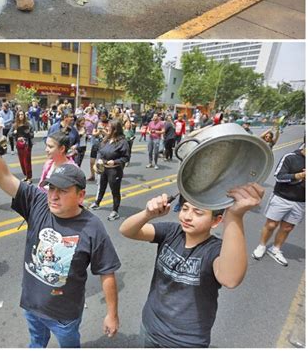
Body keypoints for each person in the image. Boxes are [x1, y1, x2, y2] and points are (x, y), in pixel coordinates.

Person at [0, 103, 121, 347]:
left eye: (62, 191)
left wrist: (112, 314)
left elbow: (107, 273)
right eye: (51, 188)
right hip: (31, 306)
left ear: (81, 196)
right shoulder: (38, 201)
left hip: (64, 317)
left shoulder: (92, 227)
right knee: (36, 344)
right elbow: (1, 175)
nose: (53, 195)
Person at [120, 183, 265, 348]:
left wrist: (234, 216)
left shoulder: (215, 250)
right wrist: (147, 214)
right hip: (150, 327)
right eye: (185, 208)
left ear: (216, 221)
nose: (187, 216)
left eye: (198, 212)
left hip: (185, 341)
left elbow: (231, 279)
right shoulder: (171, 232)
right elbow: (127, 230)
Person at [252, 139, 305, 267]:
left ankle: (275, 249)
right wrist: (298, 176)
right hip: (282, 197)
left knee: (287, 228)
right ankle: (262, 246)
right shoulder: (290, 158)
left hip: (301, 201)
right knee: (271, 224)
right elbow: (278, 176)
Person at [90, 119, 130, 221]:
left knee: (115, 190)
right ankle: (97, 202)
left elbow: (126, 157)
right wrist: (97, 161)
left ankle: (115, 211)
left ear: (115, 130)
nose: (106, 128)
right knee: (101, 186)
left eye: (109, 127)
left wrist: (115, 161)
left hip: (114, 170)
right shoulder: (106, 139)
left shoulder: (122, 142)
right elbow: (100, 151)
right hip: (103, 168)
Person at [13, 108, 34, 183]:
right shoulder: (15, 125)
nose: (21, 116)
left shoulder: (28, 124)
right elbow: (10, 134)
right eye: (19, 115)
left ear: (24, 116)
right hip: (19, 145)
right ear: (17, 116)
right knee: (21, 162)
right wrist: (15, 133)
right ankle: (26, 175)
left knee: (27, 161)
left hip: (27, 145)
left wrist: (27, 134)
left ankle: (29, 177)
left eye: (22, 114)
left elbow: (32, 135)